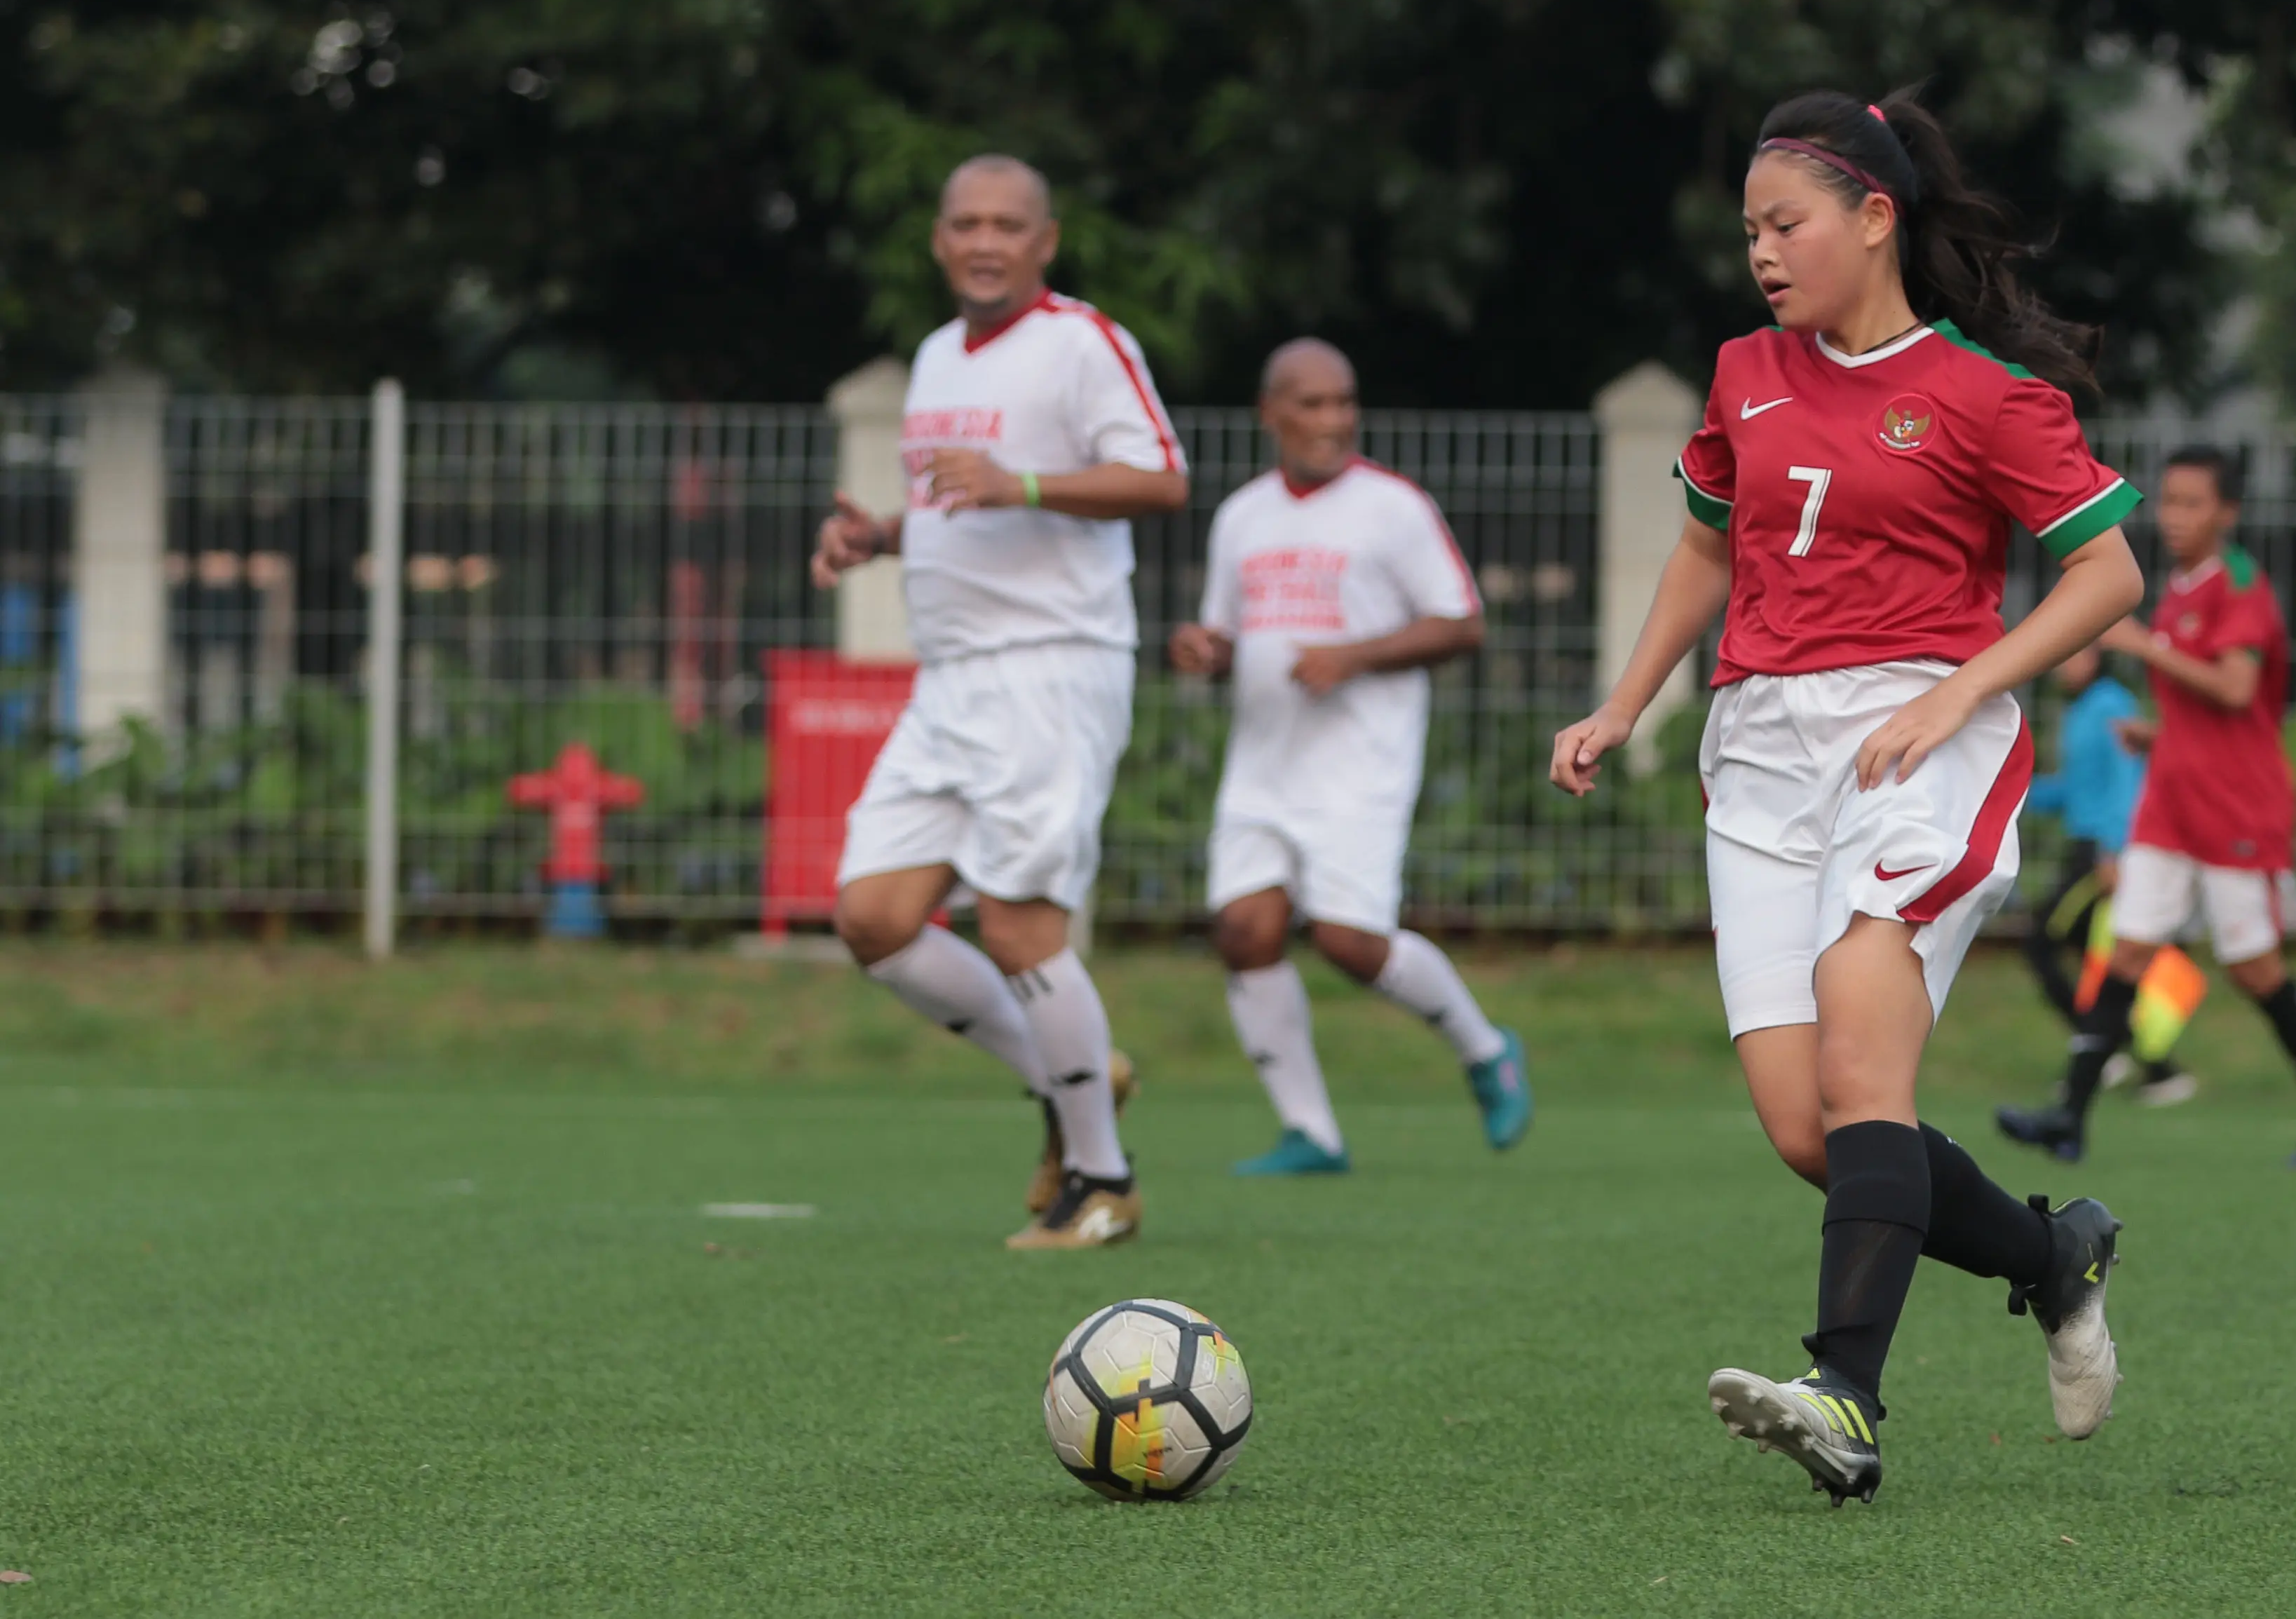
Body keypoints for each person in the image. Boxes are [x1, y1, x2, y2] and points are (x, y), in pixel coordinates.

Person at [1551, 87, 2145, 1506]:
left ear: (1875, 219)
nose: (1761, 252)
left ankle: (1845, 1395)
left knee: (1866, 1068)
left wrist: (1954, 690)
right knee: (1809, 1128)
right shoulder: (1743, 370)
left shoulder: (1981, 395)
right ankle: (2051, 1257)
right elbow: (1708, 547)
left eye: (1786, 223)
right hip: (1757, 755)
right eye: (1749, 229)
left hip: (1917, 745)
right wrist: (1626, 699)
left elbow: (2109, 576)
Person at [811, 154, 1186, 1250]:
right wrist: (880, 534)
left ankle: (1102, 1181)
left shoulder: (1082, 341)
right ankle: (1083, 1078)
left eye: (1006, 224)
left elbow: (1161, 477)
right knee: (873, 915)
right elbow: (955, 497)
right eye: (965, 222)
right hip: (952, 679)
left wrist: (1021, 482)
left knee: (1020, 922)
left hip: (1050, 668)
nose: (985, 240)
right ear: (939, 242)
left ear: (1045, 241)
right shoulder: (936, 355)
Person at [1169, 338, 1533, 1175]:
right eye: (1312, 402)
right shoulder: (1242, 514)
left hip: (1359, 763)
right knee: (1243, 928)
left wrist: (1352, 656)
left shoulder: (1392, 507)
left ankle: (1485, 1050)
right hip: (1262, 762)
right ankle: (1311, 1133)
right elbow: (1230, 632)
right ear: (1270, 412)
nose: (1332, 419)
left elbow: (1460, 621)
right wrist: (1205, 649)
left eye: (1343, 401)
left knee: (1347, 939)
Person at [1996, 446, 2296, 1170]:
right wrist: (2156, 732)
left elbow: (2234, 691)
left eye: (2191, 503)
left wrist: (2139, 643)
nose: (2172, 515)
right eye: (2166, 501)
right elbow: (2213, 710)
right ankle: (2068, 1117)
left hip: (2234, 810)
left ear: (2226, 512)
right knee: (2126, 948)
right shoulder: (2177, 587)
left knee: (2254, 968)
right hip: (2168, 802)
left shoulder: (2238, 586)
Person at [2020, 645, 2208, 1107]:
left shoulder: (2110, 704)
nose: (2063, 661)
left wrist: (2114, 850)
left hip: (2099, 853)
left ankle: (2104, 1052)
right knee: (2106, 968)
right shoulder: (2082, 710)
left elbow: (2129, 779)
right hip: (2085, 847)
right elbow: (2074, 788)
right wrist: (2013, 793)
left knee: (2041, 943)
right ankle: (2155, 1070)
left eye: (2075, 654)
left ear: (2096, 659)